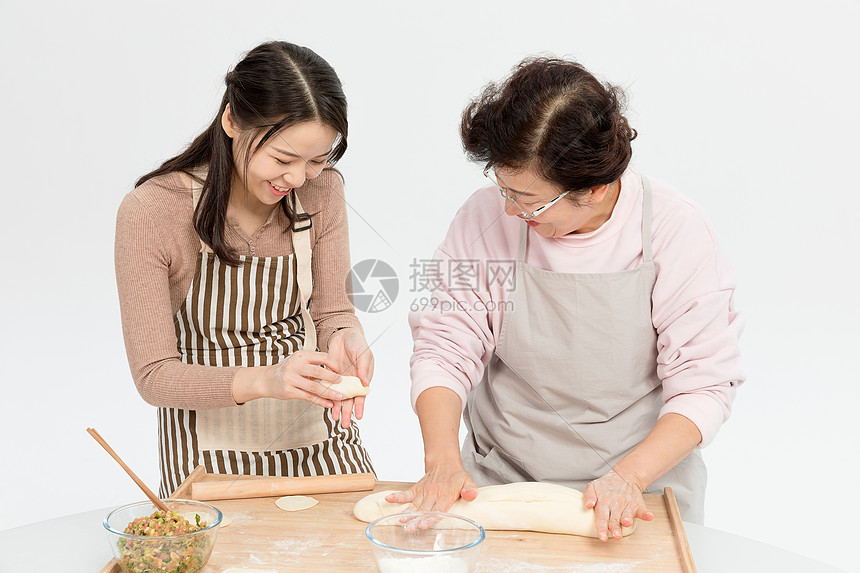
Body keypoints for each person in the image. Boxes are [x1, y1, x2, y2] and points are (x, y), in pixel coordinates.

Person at [390, 57, 744, 540]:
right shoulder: (487, 216)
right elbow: (446, 345)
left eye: (530, 200)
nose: (510, 210)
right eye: (503, 189)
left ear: (595, 189)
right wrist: (443, 461)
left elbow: (703, 383)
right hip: (501, 481)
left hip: (640, 491)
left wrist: (629, 477)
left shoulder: (675, 229)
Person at [115, 41, 374, 496]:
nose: (298, 179)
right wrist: (267, 379)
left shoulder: (323, 192)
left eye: (317, 160)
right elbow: (154, 376)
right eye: (282, 158)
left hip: (318, 432)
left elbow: (332, 311)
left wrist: (346, 338)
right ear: (232, 120)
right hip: (208, 449)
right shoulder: (152, 211)